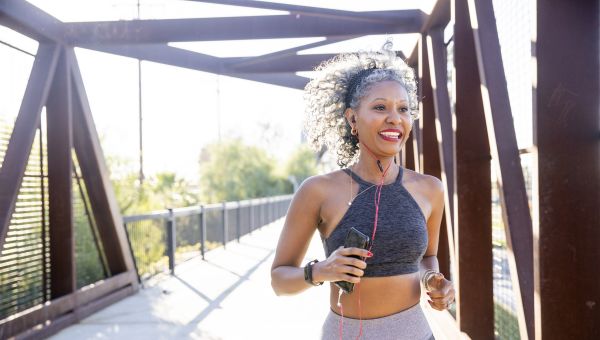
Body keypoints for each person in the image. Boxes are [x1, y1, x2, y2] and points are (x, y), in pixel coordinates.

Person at [270, 45, 455, 340]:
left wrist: (434, 280)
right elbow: (280, 279)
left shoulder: (430, 189)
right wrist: (320, 271)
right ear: (353, 119)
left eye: (403, 109)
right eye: (380, 107)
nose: (395, 118)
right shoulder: (317, 191)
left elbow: (427, 258)